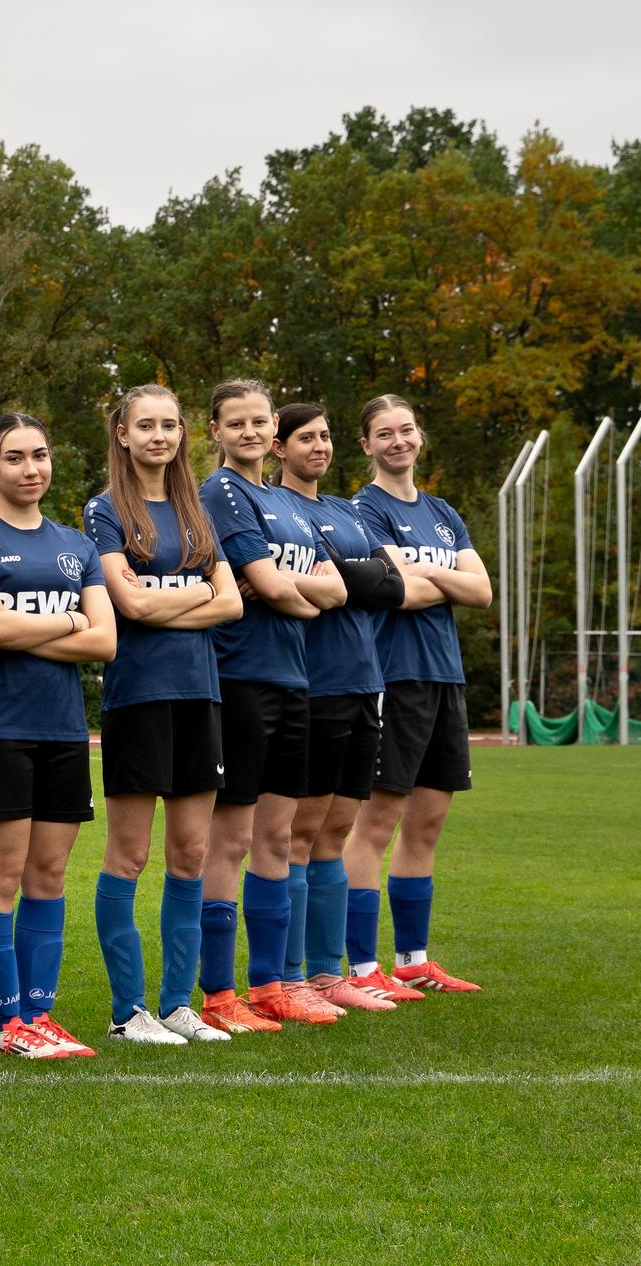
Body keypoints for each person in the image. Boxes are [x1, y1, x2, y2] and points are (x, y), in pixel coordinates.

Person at [0, 412, 116, 1060]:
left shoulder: (73, 544)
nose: (30, 469)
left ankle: (37, 1017)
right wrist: (71, 621)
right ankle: (4, 1023)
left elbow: (106, 641)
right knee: (2, 875)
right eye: (14, 457)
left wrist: (31, 624)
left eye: (38, 455)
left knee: (48, 874)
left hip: (63, 730)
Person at [84, 385, 243, 1046]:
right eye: (144, 425)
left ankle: (178, 1004)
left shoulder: (196, 510)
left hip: (199, 696)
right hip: (137, 698)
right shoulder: (103, 511)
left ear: (182, 434)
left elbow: (231, 603)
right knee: (129, 854)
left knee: (190, 852)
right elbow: (132, 609)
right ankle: (128, 1013)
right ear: (121, 434)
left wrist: (159, 599)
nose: (159, 436)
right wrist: (188, 596)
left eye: (169, 425)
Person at [195, 380, 347, 1033]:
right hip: (240, 679)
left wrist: (292, 590)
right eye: (238, 422)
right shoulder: (221, 492)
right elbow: (265, 585)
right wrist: (294, 589)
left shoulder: (280, 502)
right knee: (229, 839)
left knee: (277, 838)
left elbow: (334, 590)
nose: (251, 431)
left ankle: (271, 984)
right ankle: (216, 992)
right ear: (215, 430)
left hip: (293, 678)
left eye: (260, 420)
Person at [344, 395, 493, 995]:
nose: (398, 441)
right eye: (385, 433)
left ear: (419, 436)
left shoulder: (442, 512)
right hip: (392, 677)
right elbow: (396, 591)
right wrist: (442, 580)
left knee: (426, 825)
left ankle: (412, 960)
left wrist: (428, 575)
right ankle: (359, 967)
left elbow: (481, 591)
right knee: (375, 824)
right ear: (367, 445)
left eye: (406, 430)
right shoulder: (362, 510)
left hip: (444, 677)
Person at [272, 403, 406, 1014]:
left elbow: (391, 582)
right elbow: (353, 583)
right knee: (299, 832)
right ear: (280, 448)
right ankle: (289, 976)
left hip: (364, 683)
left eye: (325, 436)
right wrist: (354, 580)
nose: (319, 446)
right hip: (313, 684)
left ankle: (330, 975)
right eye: (305, 438)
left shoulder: (347, 510)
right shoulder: (280, 512)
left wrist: (346, 579)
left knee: (337, 831)